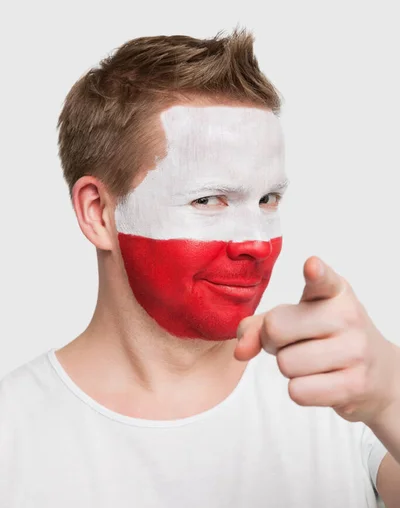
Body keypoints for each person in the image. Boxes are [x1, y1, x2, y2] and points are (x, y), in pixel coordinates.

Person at [1, 30, 399, 507]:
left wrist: (394, 399)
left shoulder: (348, 401)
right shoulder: (13, 435)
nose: (257, 242)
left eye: (268, 198)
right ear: (99, 213)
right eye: (209, 199)